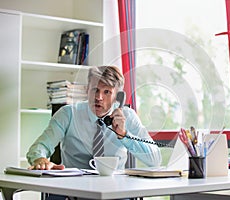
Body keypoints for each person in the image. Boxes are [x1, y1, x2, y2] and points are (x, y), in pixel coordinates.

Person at [26, 65, 162, 171]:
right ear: (86, 90)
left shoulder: (128, 117)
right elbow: (40, 146)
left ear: (117, 97)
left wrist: (124, 135)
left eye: (107, 92)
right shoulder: (68, 114)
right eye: (95, 90)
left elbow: (155, 159)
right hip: (74, 190)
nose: (99, 97)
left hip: (115, 190)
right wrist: (40, 159)